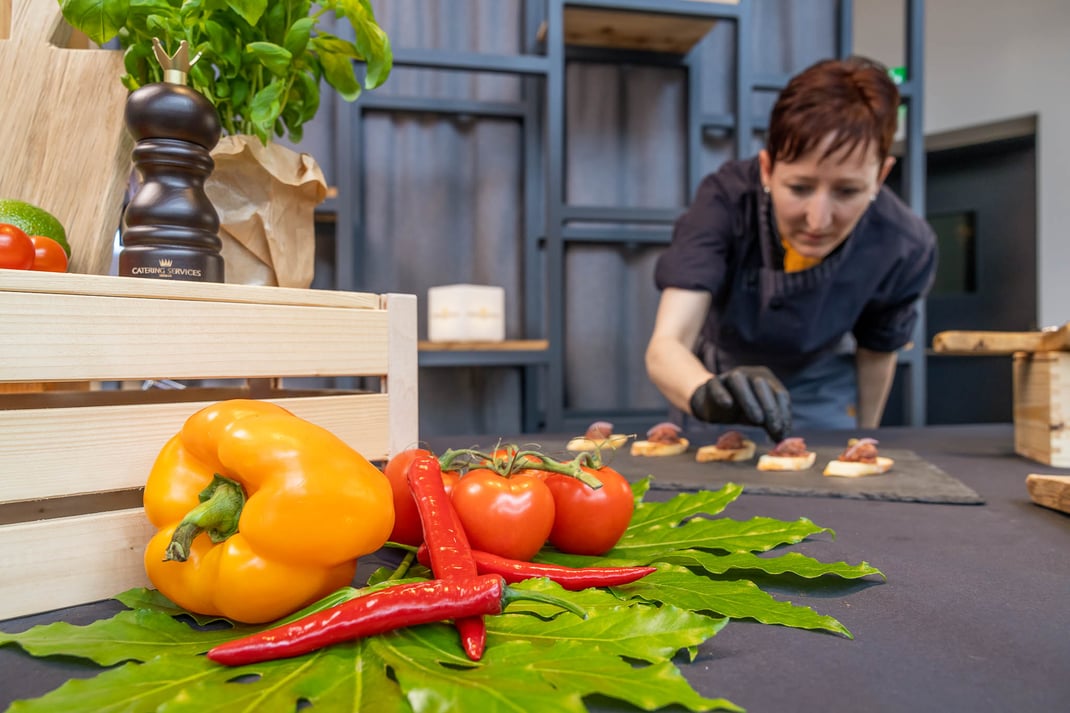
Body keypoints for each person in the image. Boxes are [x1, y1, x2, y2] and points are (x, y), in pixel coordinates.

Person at [645, 56, 937, 442]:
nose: (818, 221)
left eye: (847, 191)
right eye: (799, 188)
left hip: (820, 385)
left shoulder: (905, 244)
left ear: (880, 176)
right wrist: (704, 393)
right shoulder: (725, 201)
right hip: (717, 377)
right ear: (767, 169)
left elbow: (877, 354)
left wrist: (864, 437)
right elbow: (667, 344)